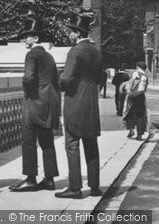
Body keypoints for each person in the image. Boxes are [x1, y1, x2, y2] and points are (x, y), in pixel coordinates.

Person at [55, 12, 103, 199]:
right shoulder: (96, 51)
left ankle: (74, 188)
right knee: (91, 144)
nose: (69, 35)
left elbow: (66, 79)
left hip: (75, 100)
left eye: (71, 32)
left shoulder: (75, 51)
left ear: (77, 33)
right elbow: (100, 77)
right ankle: (95, 187)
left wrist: (55, 84)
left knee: (72, 144)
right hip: (91, 101)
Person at [10, 18, 61, 192]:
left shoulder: (31, 55)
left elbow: (28, 78)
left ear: (36, 39)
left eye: (28, 36)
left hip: (33, 102)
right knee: (47, 142)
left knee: (29, 140)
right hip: (48, 103)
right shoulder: (49, 56)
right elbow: (56, 81)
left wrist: (28, 92)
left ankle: (31, 179)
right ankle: (50, 179)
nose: (25, 39)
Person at [122, 61, 149, 141]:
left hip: (132, 97)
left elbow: (131, 85)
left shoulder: (135, 73)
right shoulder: (145, 76)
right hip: (141, 97)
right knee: (140, 116)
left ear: (138, 67)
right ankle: (139, 135)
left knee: (129, 114)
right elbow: (142, 89)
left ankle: (131, 130)